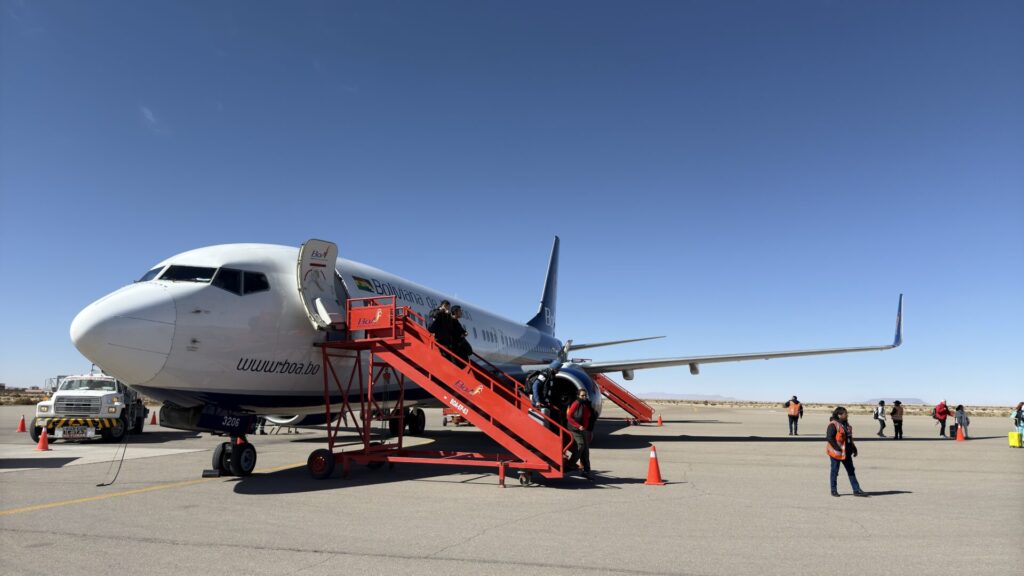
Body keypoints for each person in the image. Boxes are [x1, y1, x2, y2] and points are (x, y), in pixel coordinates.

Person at [826, 406, 867, 497]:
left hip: (847, 453)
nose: (847, 415)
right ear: (839, 415)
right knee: (835, 471)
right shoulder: (833, 424)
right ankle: (833, 490)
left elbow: (849, 438)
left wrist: (854, 448)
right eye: (845, 414)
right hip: (836, 453)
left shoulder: (847, 425)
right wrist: (837, 448)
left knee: (851, 471)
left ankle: (856, 490)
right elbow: (829, 437)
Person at [565, 388, 593, 479]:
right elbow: (569, 417)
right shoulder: (576, 404)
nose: (584, 397)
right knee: (580, 445)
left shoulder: (585, 404)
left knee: (586, 451)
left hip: (583, 429)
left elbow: (587, 417)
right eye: (582, 395)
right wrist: (578, 426)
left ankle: (587, 471)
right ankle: (570, 464)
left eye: (585, 395)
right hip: (574, 428)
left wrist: (586, 428)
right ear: (578, 396)